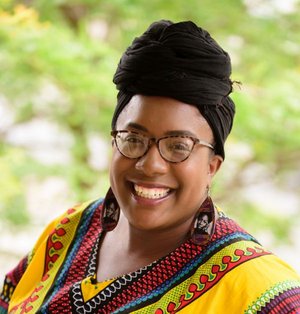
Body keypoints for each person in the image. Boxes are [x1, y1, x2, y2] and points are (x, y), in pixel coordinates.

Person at [1, 20, 299, 314]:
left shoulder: (258, 291)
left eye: (178, 146)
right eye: (133, 138)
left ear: (212, 165)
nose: (150, 164)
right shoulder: (68, 232)